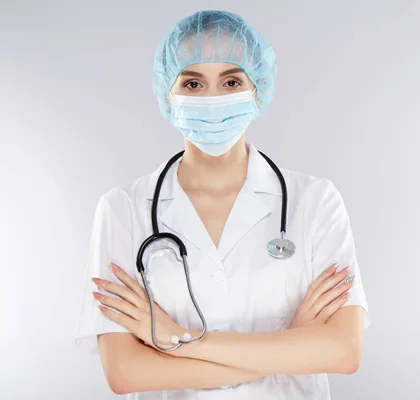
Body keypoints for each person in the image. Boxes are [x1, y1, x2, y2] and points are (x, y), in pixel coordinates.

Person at [74, 10, 370, 399]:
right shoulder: (122, 209)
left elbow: (344, 351)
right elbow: (126, 373)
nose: (212, 99)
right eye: (193, 83)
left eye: (231, 81)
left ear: (258, 89)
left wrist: (176, 339)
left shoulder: (314, 201)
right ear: (169, 92)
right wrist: (290, 345)